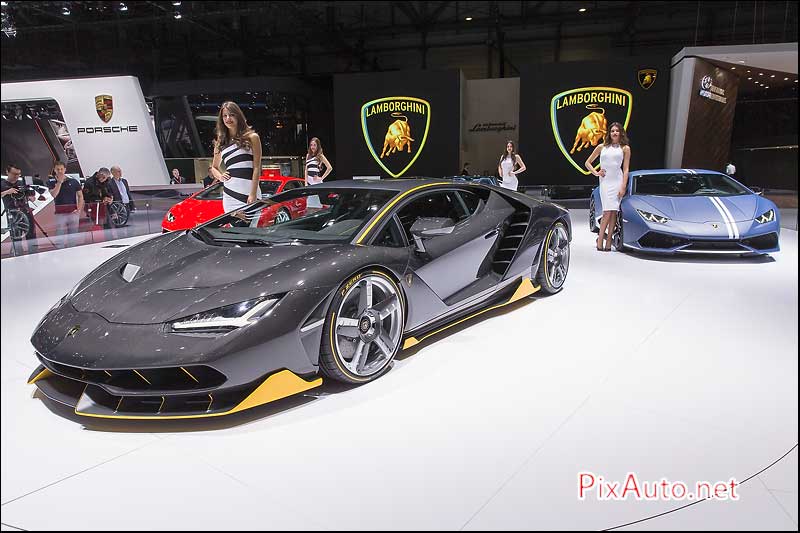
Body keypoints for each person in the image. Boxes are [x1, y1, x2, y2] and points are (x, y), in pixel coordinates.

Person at [584, 122, 630, 251]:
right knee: (606, 211)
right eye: (612, 131)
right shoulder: (601, 147)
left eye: (617, 131)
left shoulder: (625, 148)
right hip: (605, 181)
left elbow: (626, 169)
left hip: (618, 180)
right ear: (609, 133)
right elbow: (587, 162)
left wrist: (623, 186)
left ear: (621, 133)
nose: (614, 133)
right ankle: (600, 239)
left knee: (614, 211)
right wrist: (596, 172)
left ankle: (609, 240)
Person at [209, 101, 262, 213]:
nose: (228, 118)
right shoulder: (220, 142)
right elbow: (214, 167)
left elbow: (257, 168)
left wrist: (253, 194)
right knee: (233, 229)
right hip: (230, 195)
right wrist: (220, 176)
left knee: (252, 228)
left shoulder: (252, 137)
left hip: (250, 192)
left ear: (238, 116)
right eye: (225, 115)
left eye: (232, 114)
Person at [1, 163, 38, 251]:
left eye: (18, 174)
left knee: (31, 235)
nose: (16, 176)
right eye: (14, 174)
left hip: (26, 211)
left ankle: (34, 254)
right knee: (16, 238)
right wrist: (7, 192)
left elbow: (31, 194)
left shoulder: (22, 183)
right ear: (7, 172)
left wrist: (31, 197)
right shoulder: (2, 184)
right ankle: (18, 255)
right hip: (13, 214)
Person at [48, 161, 84, 248]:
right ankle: (60, 250)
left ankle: (72, 249)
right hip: (60, 213)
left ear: (65, 169)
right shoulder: (51, 182)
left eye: (61, 169)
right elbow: (54, 194)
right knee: (60, 234)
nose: (60, 171)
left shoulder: (73, 181)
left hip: (73, 211)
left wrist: (79, 209)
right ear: (54, 170)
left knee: (73, 234)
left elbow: (80, 196)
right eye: (58, 169)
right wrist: (59, 182)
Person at [305, 137, 333, 209]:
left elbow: (329, 167)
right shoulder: (308, 155)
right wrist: (305, 183)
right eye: (311, 145)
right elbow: (306, 170)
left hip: (316, 183)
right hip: (309, 184)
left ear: (318, 146)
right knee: (309, 205)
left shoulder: (320, 156)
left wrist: (321, 178)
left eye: (314, 145)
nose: (312, 147)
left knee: (318, 205)